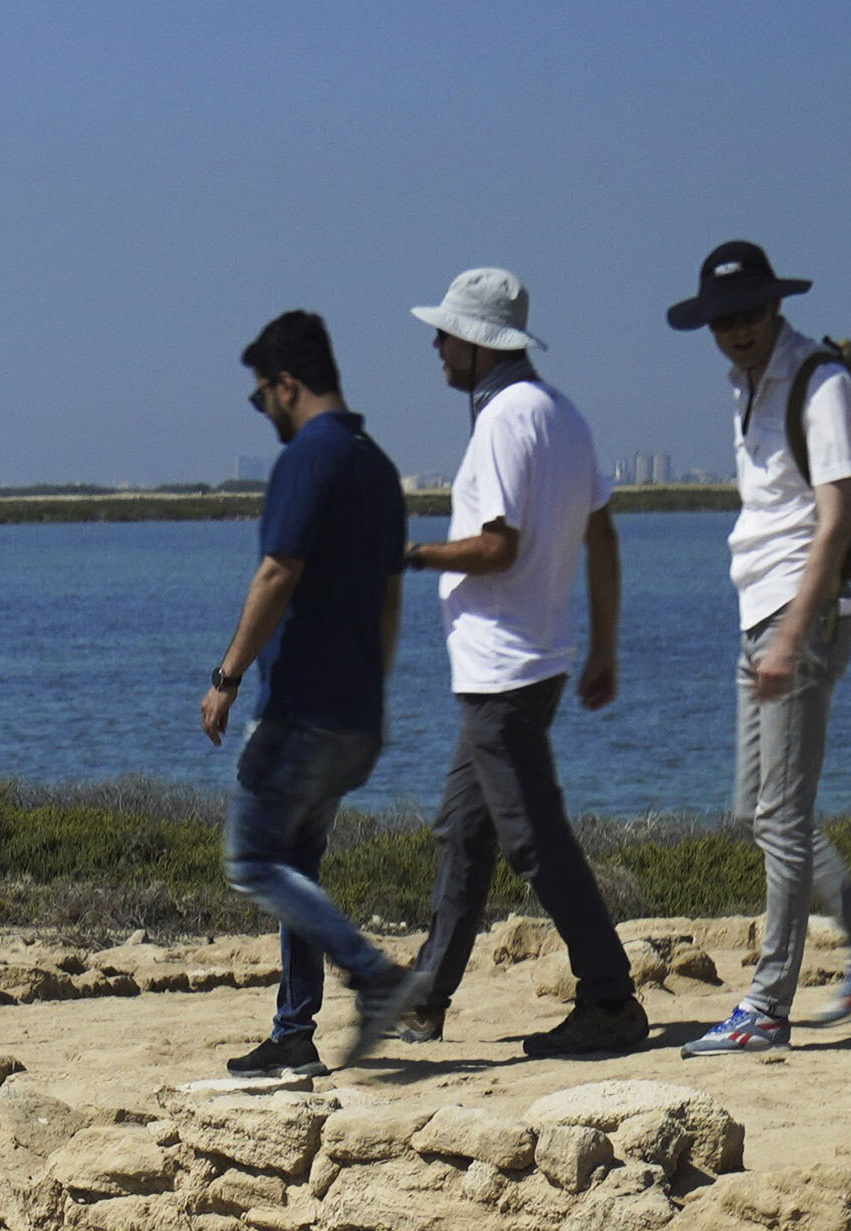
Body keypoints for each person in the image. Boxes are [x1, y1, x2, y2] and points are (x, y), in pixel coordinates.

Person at [388, 269, 655, 1060]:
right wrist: (602, 646)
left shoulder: (505, 421)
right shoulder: (563, 415)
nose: (434, 346)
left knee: (532, 839)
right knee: (462, 833)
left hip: (503, 670)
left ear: (477, 345)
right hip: (525, 664)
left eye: (445, 335)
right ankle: (424, 999)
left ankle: (608, 997)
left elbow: (497, 547)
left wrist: (405, 552)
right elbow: (602, 536)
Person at [665, 235, 851, 1052]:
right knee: (762, 811)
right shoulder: (745, 383)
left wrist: (792, 636)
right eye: (721, 319)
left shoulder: (821, 383)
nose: (735, 330)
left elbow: (836, 518)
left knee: (781, 812)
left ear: (776, 306)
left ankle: (768, 1006)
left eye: (747, 313)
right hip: (759, 613)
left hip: (797, 620)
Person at [196, 308, 417, 1082]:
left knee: (253, 858)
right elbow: (390, 597)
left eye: (262, 399)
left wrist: (226, 677)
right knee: (297, 865)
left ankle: (375, 976)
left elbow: (276, 574)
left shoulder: (308, 461)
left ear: (288, 385)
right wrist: (375, 695)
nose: (264, 414)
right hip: (356, 707)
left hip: (302, 706)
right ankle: (294, 1031)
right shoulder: (379, 467)